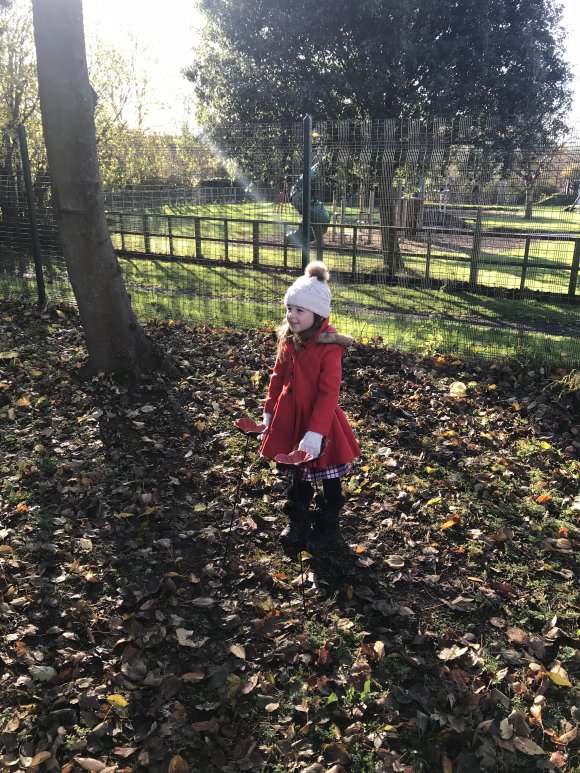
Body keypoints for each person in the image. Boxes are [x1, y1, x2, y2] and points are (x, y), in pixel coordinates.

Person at [259, 261, 361, 555]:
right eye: (289, 309)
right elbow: (278, 376)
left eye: (299, 310)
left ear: (317, 313)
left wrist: (315, 433)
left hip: (321, 421)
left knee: (329, 476)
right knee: (299, 474)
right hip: (291, 418)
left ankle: (329, 527)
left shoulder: (330, 346)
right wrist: (269, 411)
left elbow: (329, 393)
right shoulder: (289, 340)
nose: (291, 316)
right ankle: (298, 520)